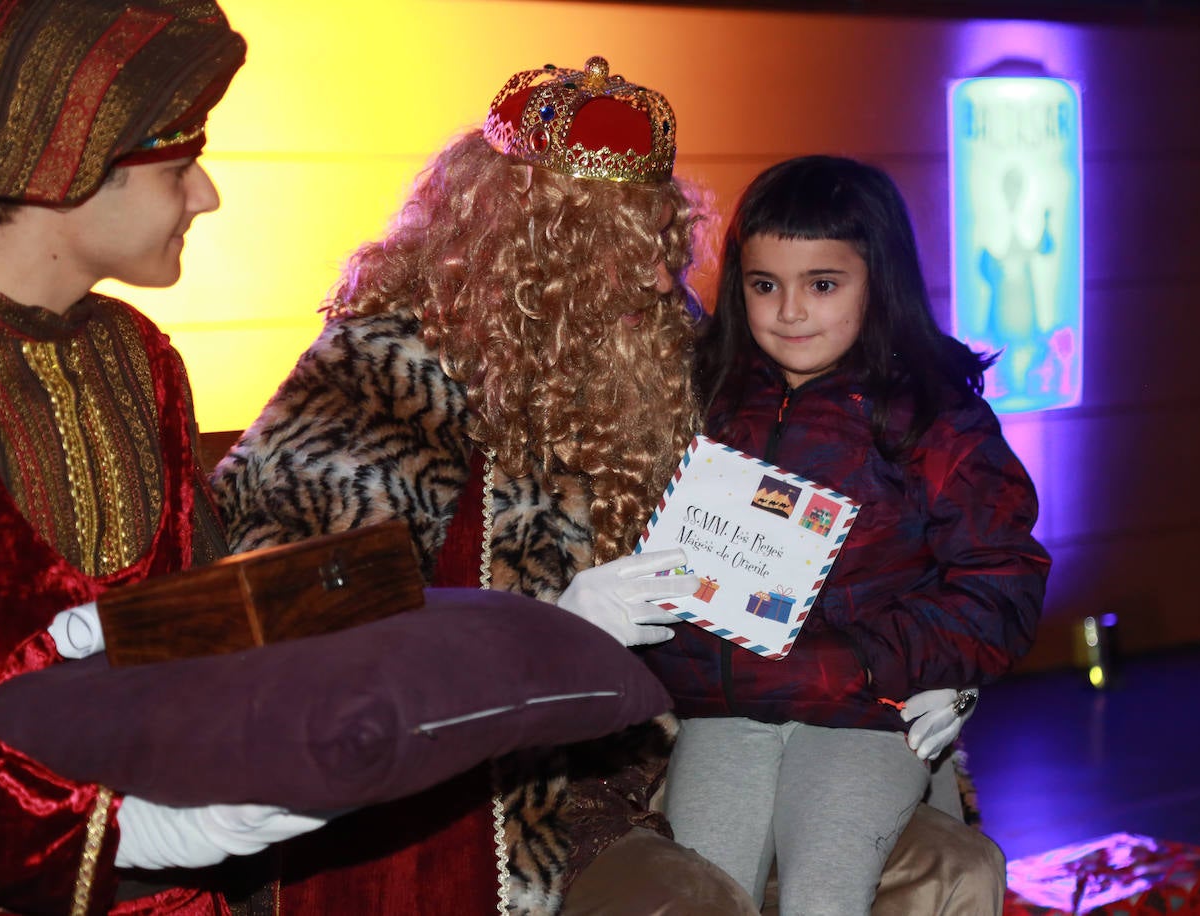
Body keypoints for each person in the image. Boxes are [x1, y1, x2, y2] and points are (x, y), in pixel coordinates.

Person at [213, 59, 1020, 915]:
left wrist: (941, 672)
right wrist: (539, 627)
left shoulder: (685, 356)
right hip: (500, 787)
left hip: (702, 734)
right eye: (591, 245)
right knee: (685, 901)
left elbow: (873, 546)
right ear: (499, 237)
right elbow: (282, 611)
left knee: (954, 871)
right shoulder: (382, 373)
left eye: (650, 243)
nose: (637, 279)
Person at [0, 2, 325, 912]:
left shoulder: (140, 357)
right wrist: (99, 828)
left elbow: (202, 609)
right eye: (179, 169)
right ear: (69, 178)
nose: (206, 195)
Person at [641, 154, 1051, 915]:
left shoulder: (935, 418)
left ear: (880, 280)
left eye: (822, 284)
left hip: (861, 711)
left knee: (823, 895)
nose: (790, 311)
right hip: (723, 708)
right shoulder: (705, 398)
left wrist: (877, 661)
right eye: (765, 285)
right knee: (698, 893)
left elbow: (1001, 576)